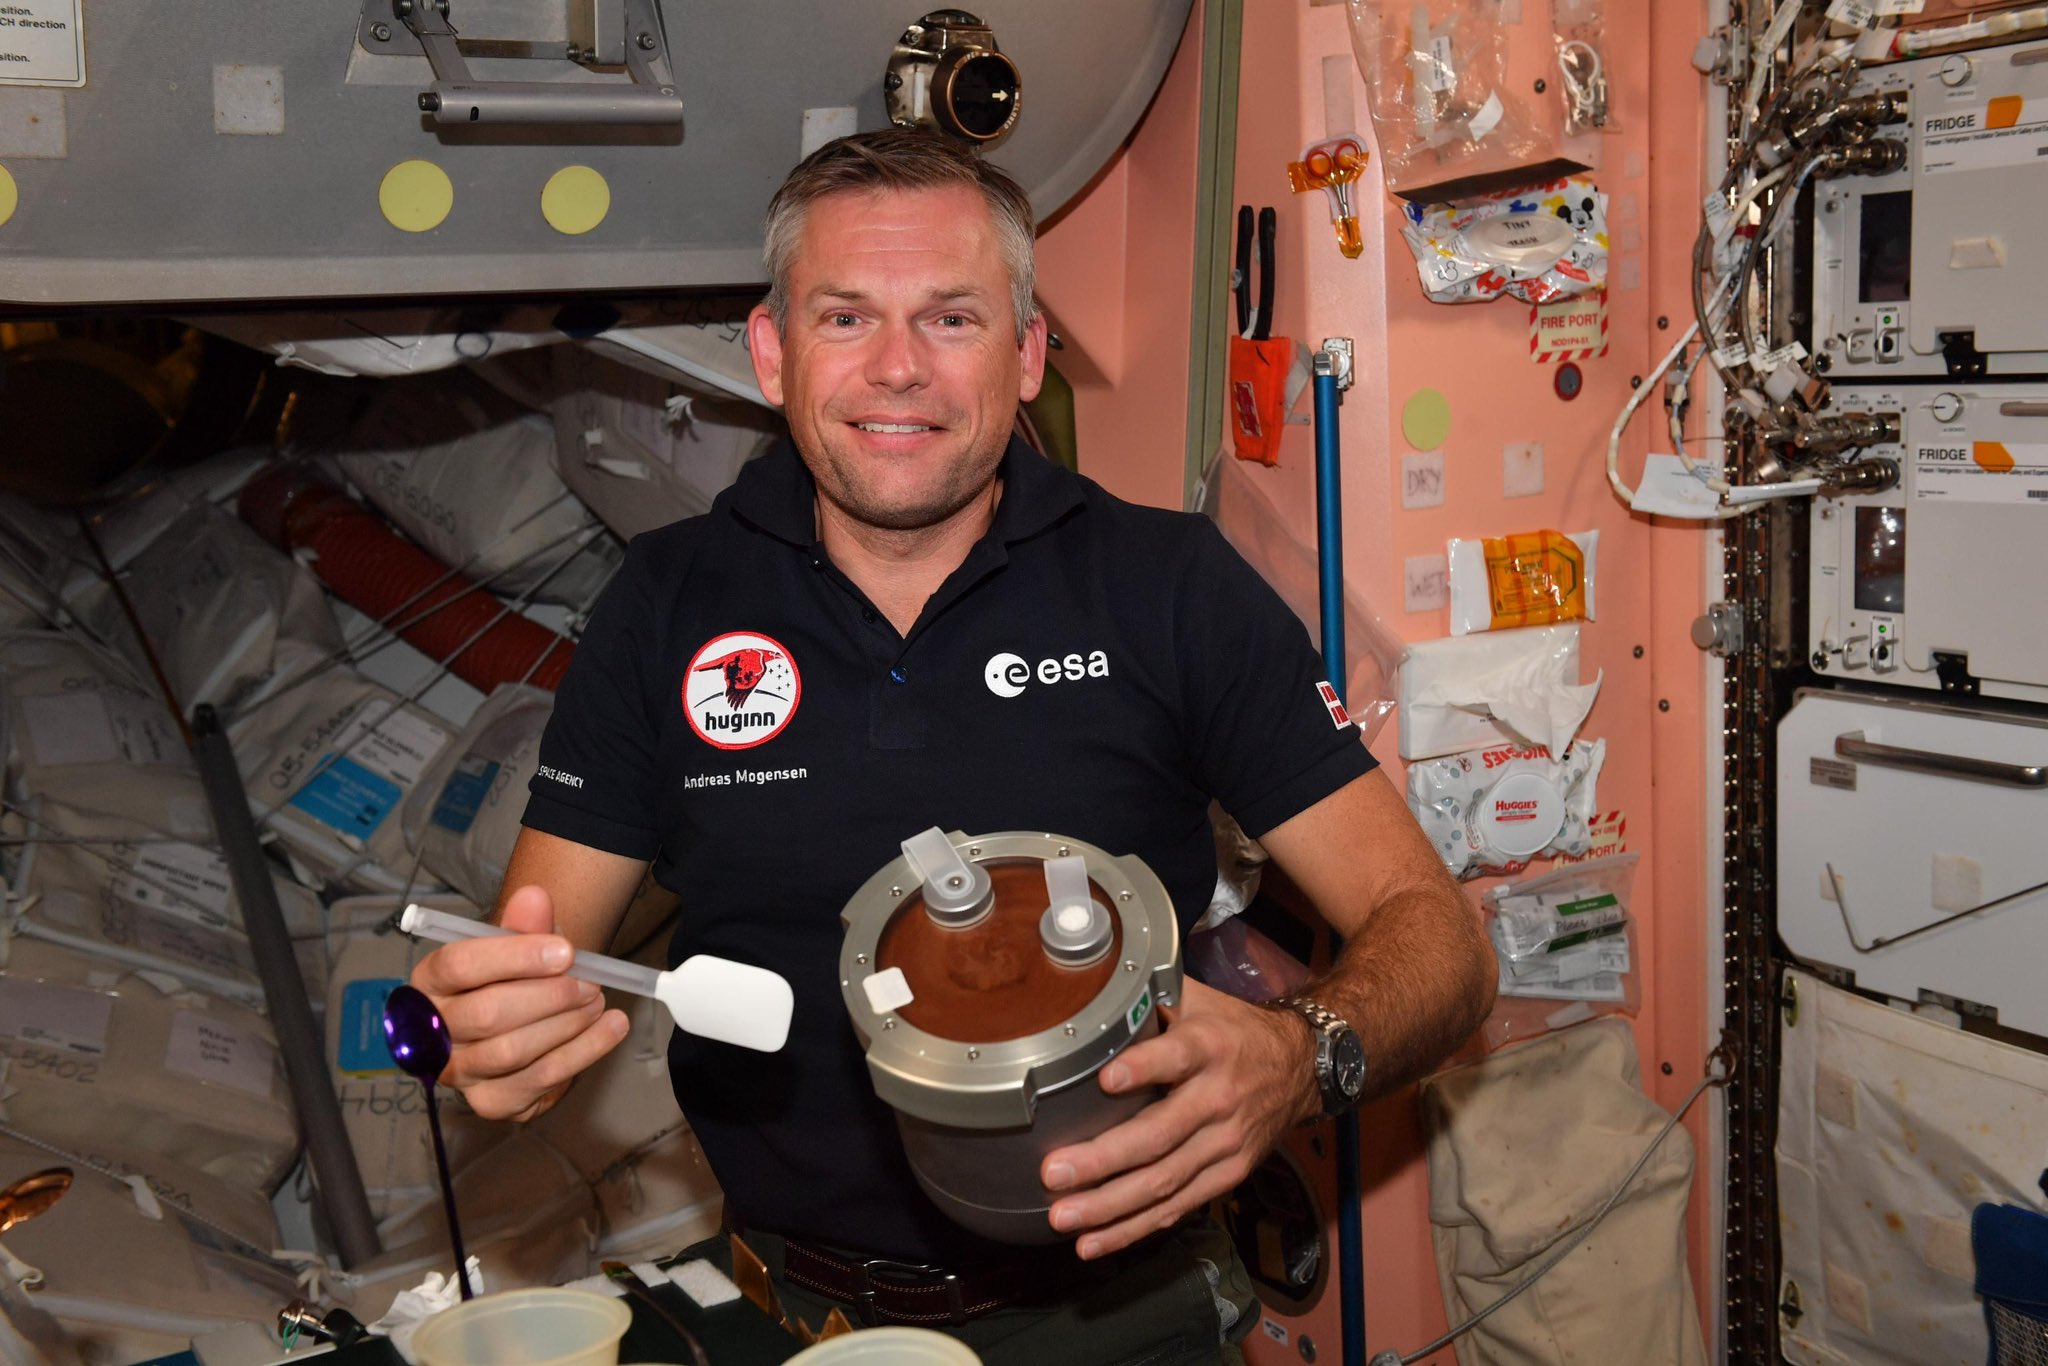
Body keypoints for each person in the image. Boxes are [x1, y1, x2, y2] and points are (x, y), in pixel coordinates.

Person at [410, 128, 1495, 1364]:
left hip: (1125, 1318)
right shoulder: (664, 606)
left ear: (1027, 353)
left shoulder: (1167, 587)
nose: (896, 371)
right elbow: (527, 963)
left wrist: (1300, 1059)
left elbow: (1439, 938)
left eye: (951, 319)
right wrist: (492, 1041)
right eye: (843, 318)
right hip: (790, 1320)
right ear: (772, 353)